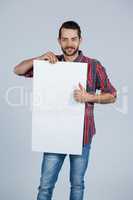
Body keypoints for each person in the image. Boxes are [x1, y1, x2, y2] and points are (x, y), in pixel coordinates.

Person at [14, 21, 117, 200]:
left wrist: (89, 98)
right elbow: (18, 70)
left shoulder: (93, 66)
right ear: (59, 41)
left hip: (82, 136)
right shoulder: (49, 63)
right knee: (45, 186)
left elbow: (112, 95)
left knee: (77, 185)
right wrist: (39, 58)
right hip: (54, 136)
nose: (69, 44)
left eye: (73, 39)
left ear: (80, 40)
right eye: (65, 39)